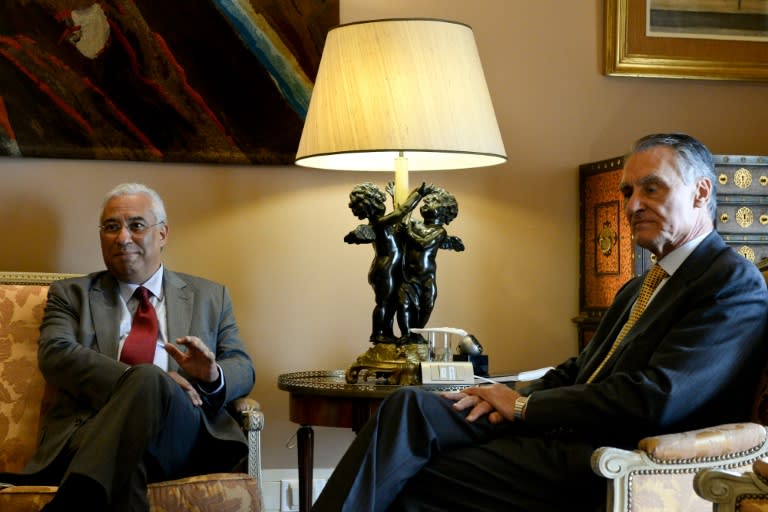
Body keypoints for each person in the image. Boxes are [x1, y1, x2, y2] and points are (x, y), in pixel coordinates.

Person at [311, 133, 768, 512]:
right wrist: (504, 394)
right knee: (409, 407)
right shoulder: (640, 286)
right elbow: (580, 370)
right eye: (627, 191)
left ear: (701, 192)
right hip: (562, 427)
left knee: (414, 473)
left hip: (617, 453)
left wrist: (525, 408)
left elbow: (657, 398)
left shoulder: (730, 282)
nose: (632, 206)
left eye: (652, 188)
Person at [0, 183, 255, 511]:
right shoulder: (71, 294)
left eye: (136, 225)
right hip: (92, 430)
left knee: (149, 381)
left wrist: (212, 375)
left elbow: (242, 366)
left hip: (184, 433)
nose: (122, 237)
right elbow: (56, 354)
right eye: (111, 227)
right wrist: (147, 381)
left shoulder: (210, 296)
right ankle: (83, 496)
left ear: (162, 234)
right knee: (140, 412)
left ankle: (74, 499)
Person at [344, 182, 436, 344]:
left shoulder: (385, 222)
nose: (382, 205)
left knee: (392, 303)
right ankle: (378, 333)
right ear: (371, 206)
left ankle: (387, 333)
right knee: (384, 303)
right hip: (385, 270)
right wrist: (419, 193)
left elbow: (400, 215)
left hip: (389, 269)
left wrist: (395, 196)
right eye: (379, 202)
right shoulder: (380, 223)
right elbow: (402, 212)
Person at [396, 187, 464, 342]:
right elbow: (403, 215)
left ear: (442, 210)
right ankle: (406, 334)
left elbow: (423, 243)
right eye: (427, 200)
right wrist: (414, 195)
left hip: (426, 277)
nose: (427, 202)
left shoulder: (440, 231)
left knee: (427, 305)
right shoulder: (414, 224)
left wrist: (407, 233)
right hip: (408, 276)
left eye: (433, 201)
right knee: (403, 304)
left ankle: (417, 331)